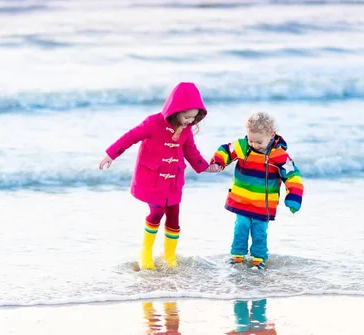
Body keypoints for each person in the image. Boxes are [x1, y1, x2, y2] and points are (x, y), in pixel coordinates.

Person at [99, 82, 221, 270]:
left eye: (194, 118)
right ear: (176, 109)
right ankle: (146, 251)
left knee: (174, 216)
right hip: (152, 179)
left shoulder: (186, 129)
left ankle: (169, 255)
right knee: (157, 212)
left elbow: (191, 151)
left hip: (173, 180)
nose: (190, 121)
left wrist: (205, 167)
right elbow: (130, 137)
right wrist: (111, 154)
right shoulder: (152, 123)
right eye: (187, 117)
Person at [210, 111, 304, 269]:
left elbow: (292, 176)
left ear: (272, 135)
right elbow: (226, 150)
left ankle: (259, 257)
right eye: (251, 140)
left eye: (259, 142)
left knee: (259, 230)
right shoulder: (243, 146)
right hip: (242, 200)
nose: (254, 145)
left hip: (263, 205)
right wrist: (219, 162)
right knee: (241, 226)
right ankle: (237, 255)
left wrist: (293, 196)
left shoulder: (279, 156)